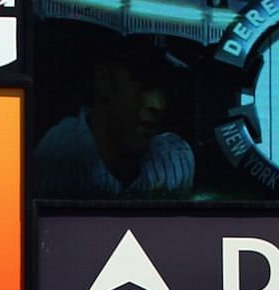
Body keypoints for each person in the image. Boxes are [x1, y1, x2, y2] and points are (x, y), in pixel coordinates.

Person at [34, 35, 195, 197]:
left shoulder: (174, 157)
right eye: (141, 82)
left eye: (162, 86)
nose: (158, 105)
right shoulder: (61, 151)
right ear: (102, 79)